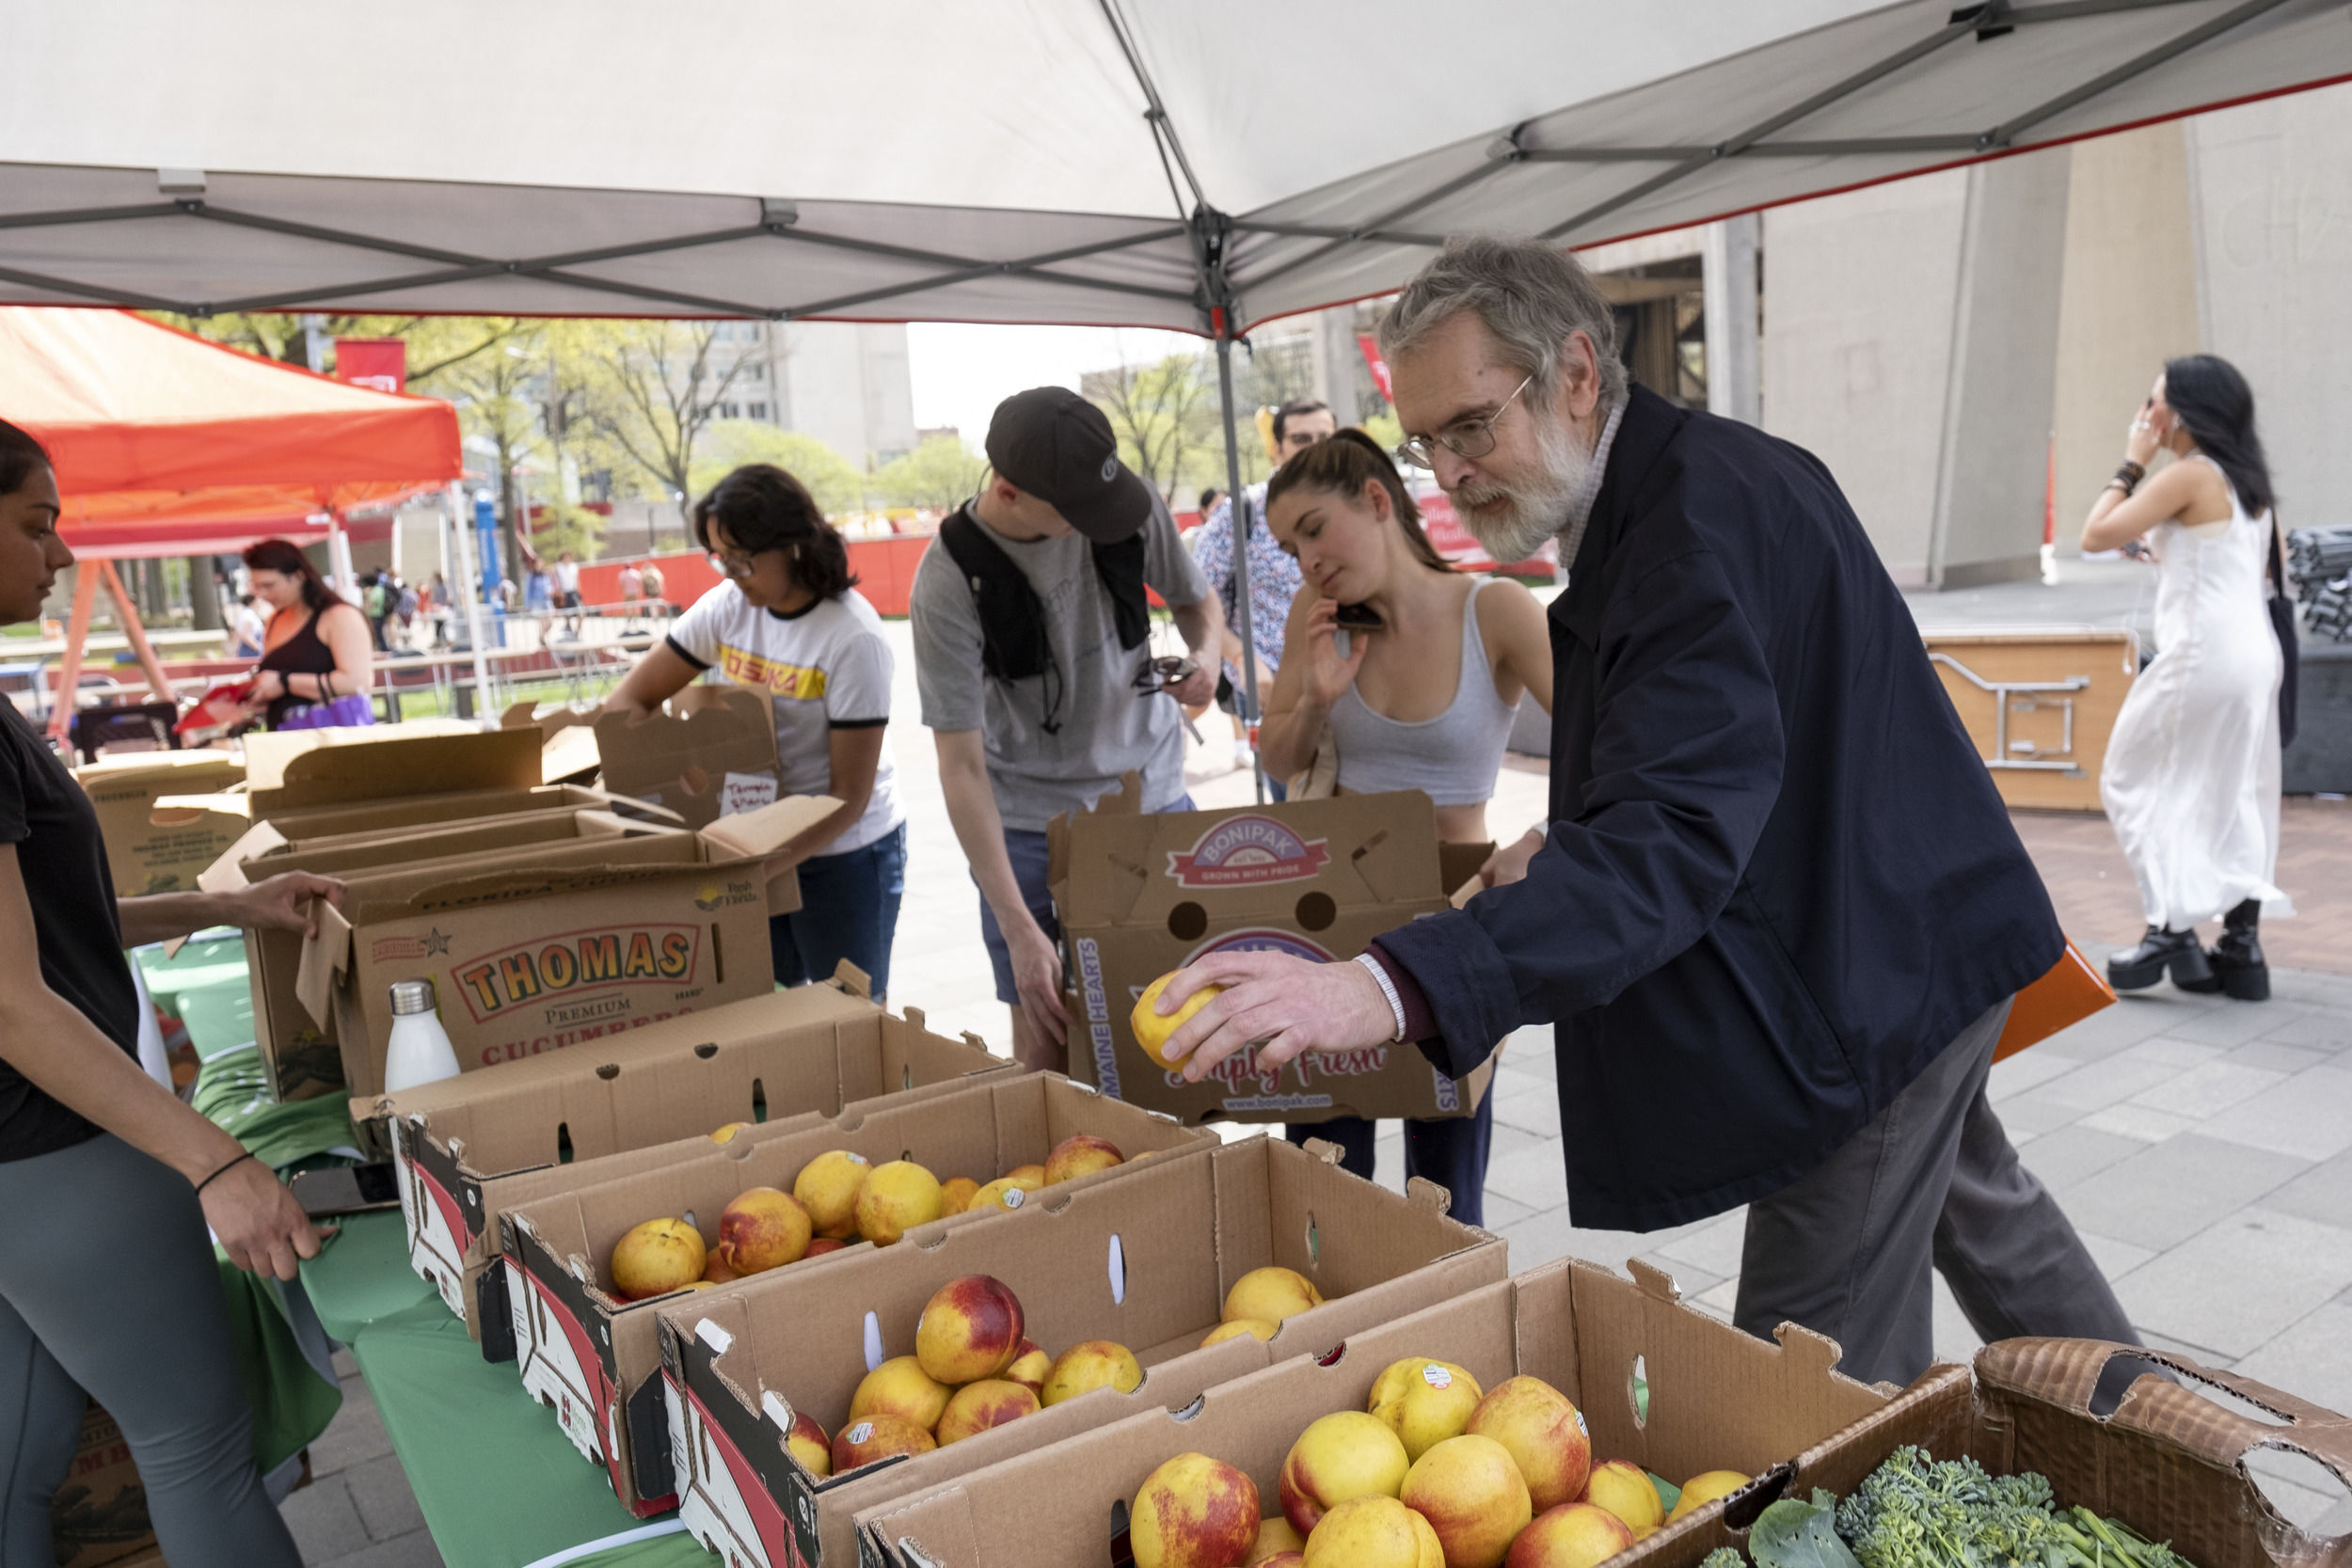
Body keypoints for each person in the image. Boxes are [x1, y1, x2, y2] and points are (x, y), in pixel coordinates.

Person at [1150, 236, 2138, 1388]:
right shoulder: (1688, 484)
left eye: (1470, 426)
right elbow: (1719, 764)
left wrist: (1383, 982)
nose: (1453, 474)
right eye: (1429, 444)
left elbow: (1670, 827)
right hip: (1894, 941)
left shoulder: (1687, 525)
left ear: (1574, 372)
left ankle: (2165, 1464)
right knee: (1992, 1220)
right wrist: (1570, 842)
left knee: (1798, 1383)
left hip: (1860, 984)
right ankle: (2192, 1452)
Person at [0, 419, 340, 1567]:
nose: (58, 554)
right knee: (197, 1446)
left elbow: (49, 934)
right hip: (52, 1147)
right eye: (36, 523)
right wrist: (214, 1157)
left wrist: (222, 906)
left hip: (20, 1169)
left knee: (19, 1455)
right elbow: (12, 998)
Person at [1250, 429, 1554, 1226]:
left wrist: (1544, 840)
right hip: (1332, 925)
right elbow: (1280, 755)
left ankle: (1449, 1339)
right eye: (1290, 546)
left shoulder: (1495, 608)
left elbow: (1612, 743)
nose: (1306, 560)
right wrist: (1317, 696)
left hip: (1452, 921)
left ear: (1378, 500)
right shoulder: (1318, 622)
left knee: (1449, 1199)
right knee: (1323, 1180)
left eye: (1314, 528)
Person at [911, 388, 1225, 1070]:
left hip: (1153, 798)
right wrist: (1019, 927)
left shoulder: (1122, 507)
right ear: (1008, 491)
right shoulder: (948, 581)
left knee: (1183, 1024)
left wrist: (1205, 659)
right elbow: (959, 767)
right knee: (1046, 1042)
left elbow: (1198, 601)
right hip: (1029, 828)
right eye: (1075, 512)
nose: (1096, 523)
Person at [605, 466, 909, 996]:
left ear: (792, 546)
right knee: (766, 1002)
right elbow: (629, 701)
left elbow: (848, 796)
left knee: (851, 1014)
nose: (732, 573)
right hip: (749, 842)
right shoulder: (729, 606)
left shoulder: (851, 638)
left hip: (843, 853)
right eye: (720, 558)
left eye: (742, 560)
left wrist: (755, 868)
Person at [2083, 356, 2293, 1001]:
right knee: (2235, 793)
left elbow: (2094, 533)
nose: (2146, 414)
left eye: (2154, 402)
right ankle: (2241, 947)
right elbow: (2248, 568)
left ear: (2183, 411)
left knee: (2130, 776)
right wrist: (2163, 550)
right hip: (2254, 655)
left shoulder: (2190, 473)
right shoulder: (2245, 480)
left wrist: (2131, 459)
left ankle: (2169, 926)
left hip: (2204, 655)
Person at [1191, 399, 1335, 777]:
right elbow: (1195, 598)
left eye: (1325, 437)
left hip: (1351, 682)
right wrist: (1241, 656)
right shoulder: (1243, 512)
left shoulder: (1360, 509)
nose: (1315, 448)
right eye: (1302, 439)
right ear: (1277, 449)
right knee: (1293, 811)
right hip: (1273, 690)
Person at [241, 539, 373, 730]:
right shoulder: (273, 620)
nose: (262, 594)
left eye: (269, 585)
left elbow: (356, 682)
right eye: (256, 586)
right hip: (285, 738)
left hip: (335, 742)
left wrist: (285, 683)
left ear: (298, 577)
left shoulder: (339, 616)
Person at [228, 593, 268, 659]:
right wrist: (260, 648)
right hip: (250, 653)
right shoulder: (248, 615)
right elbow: (245, 635)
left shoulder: (248, 614)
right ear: (253, 601)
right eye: (258, 599)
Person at [553, 550, 583, 637]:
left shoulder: (574, 566)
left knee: (581, 613)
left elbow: (576, 580)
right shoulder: (558, 567)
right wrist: (558, 590)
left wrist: (578, 591)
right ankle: (568, 626)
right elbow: (555, 579)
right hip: (564, 592)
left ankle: (577, 631)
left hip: (573, 592)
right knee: (566, 613)